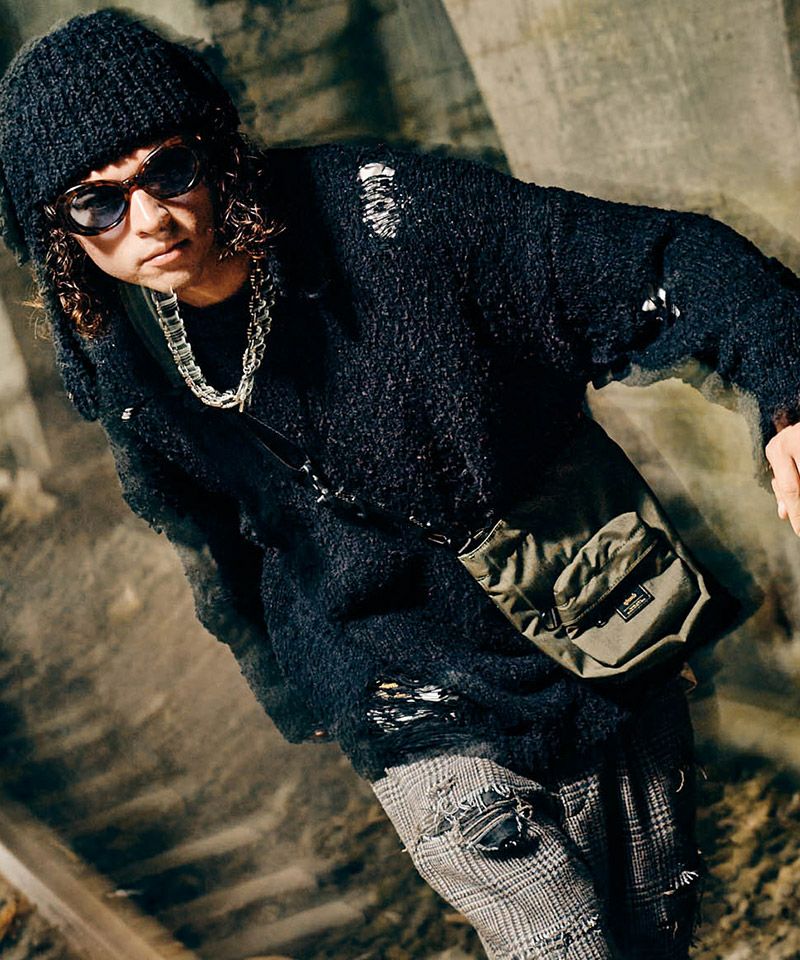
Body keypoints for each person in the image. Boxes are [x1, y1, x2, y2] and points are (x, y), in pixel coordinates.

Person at [2, 9, 800, 959]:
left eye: (168, 171)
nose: (148, 220)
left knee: (652, 927)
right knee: (561, 943)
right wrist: (296, 683)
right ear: (58, 230)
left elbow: (664, 260)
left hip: (589, 618)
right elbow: (202, 523)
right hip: (401, 694)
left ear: (212, 151)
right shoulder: (119, 345)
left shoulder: (395, 219)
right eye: (97, 203)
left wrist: (790, 395)